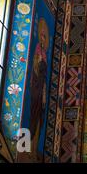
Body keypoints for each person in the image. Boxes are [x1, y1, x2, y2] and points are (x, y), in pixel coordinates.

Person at [29, 18, 49, 162]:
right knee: (34, 116)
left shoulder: (45, 54)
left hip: (41, 87)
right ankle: (27, 147)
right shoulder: (37, 51)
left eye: (44, 37)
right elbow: (37, 69)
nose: (43, 39)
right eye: (41, 36)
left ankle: (35, 148)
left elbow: (44, 73)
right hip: (36, 86)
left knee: (40, 119)